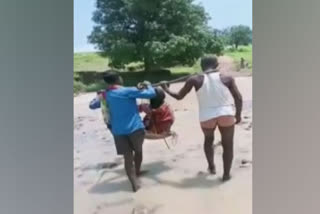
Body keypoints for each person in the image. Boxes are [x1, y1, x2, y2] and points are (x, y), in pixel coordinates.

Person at [161, 56, 243, 181]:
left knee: (208, 140)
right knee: (228, 145)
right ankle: (226, 175)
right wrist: (238, 115)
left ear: (201, 66)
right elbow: (238, 98)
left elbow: (178, 96)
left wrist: (165, 88)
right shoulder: (227, 78)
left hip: (206, 116)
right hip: (225, 113)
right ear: (217, 65)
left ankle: (211, 167)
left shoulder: (194, 79)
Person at [91, 70, 157, 192]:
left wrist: (99, 95)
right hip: (135, 128)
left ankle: (134, 183)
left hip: (118, 131)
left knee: (127, 157)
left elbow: (92, 105)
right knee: (138, 151)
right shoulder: (128, 90)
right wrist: (148, 84)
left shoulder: (106, 94)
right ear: (119, 79)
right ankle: (137, 172)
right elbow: (151, 94)